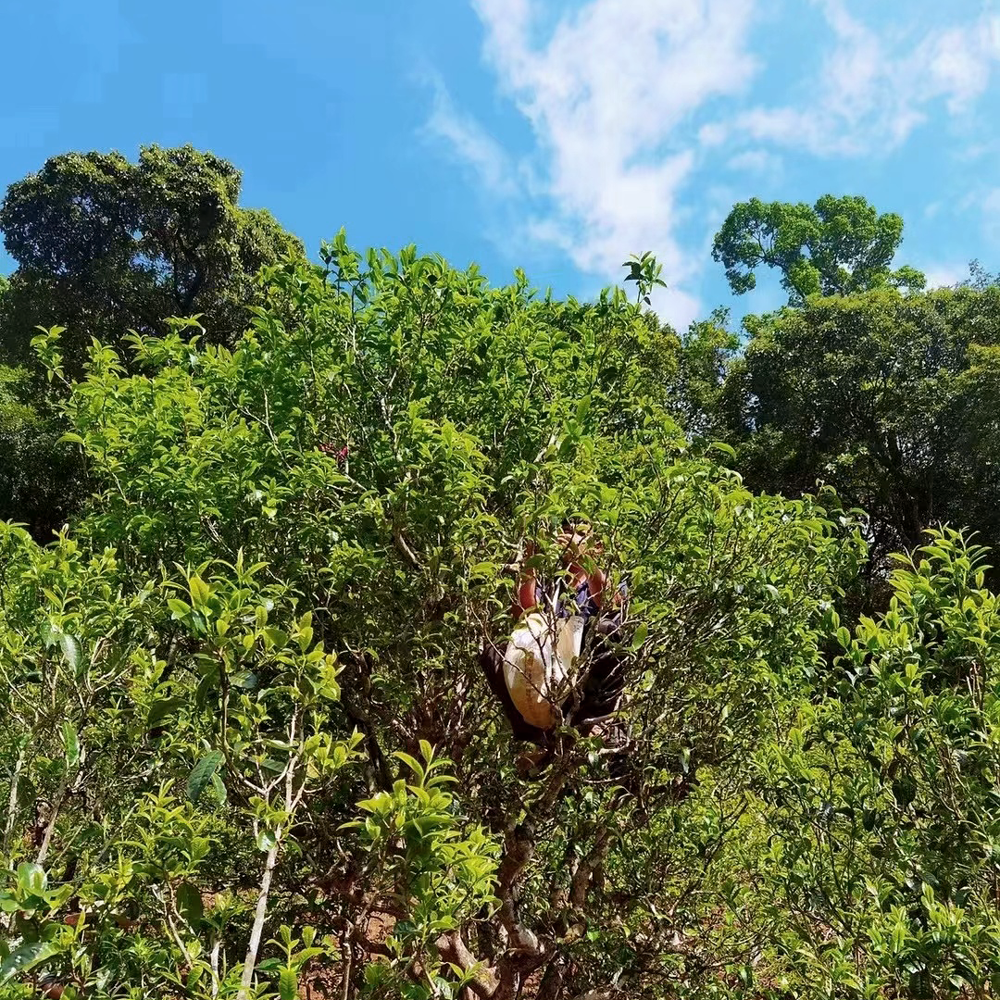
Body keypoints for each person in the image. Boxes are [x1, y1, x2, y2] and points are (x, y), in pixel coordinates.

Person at [480, 522, 627, 747]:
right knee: (495, 651)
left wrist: (585, 561)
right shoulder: (553, 581)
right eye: (568, 532)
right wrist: (531, 562)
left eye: (580, 534)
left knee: (606, 631)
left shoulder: (606, 576)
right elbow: (524, 614)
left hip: (585, 681)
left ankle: (599, 722)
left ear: (597, 547)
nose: (571, 538)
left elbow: (613, 605)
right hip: (551, 675)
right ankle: (532, 736)